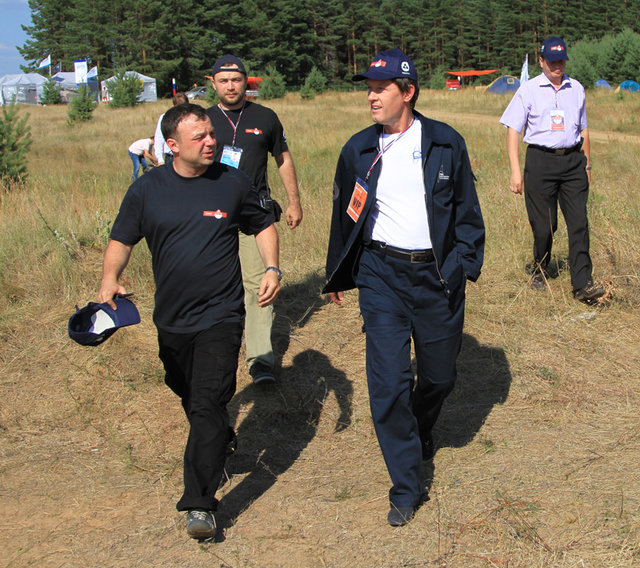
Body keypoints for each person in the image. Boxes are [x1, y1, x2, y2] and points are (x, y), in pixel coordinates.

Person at [98, 103, 281, 540]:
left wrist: (272, 268)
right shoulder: (147, 189)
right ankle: (218, 436)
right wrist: (109, 279)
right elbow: (122, 238)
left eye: (211, 133)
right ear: (173, 145)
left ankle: (199, 503)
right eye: (199, 137)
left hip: (221, 314)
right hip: (172, 318)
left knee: (207, 403)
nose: (211, 141)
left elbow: (262, 224)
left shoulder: (232, 183)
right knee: (187, 389)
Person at [323, 49, 484, 527]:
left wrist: (465, 265)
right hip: (381, 275)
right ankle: (406, 486)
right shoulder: (357, 149)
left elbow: (467, 211)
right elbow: (344, 214)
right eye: (369, 89)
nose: (371, 97)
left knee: (439, 377)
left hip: (437, 276)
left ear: (408, 92)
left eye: (381, 88)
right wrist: (339, 272)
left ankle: (420, 422)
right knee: (388, 383)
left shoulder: (445, 143)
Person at [206, 54, 303, 384]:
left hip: (254, 217)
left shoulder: (265, 117)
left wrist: (294, 202)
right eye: (223, 81)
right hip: (212, 218)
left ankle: (260, 360)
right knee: (214, 286)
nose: (230, 86)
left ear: (245, 82)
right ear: (213, 84)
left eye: (236, 80)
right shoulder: (203, 120)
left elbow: (282, 158)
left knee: (258, 284)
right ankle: (214, 352)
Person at [500, 36, 604, 304]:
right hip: (540, 162)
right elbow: (513, 130)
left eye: (561, 61)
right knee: (545, 227)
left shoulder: (576, 88)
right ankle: (540, 267)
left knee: (579, 222)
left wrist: (587, 164)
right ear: (541, 60)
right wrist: (515, 171)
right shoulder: (528, 90)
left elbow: (583, 129)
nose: (557, 66)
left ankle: (582, 285)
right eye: (552, 61)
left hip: (572, 162)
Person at [154, 92, 188, 165]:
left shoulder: (192, 118)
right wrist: (160, 160)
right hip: (171, 157)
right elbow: (159, 139)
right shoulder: (165, 118)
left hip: (188, 156)